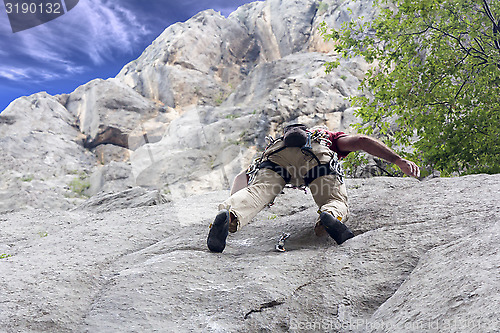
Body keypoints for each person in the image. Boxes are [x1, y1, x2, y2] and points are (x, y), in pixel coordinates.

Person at [207, 124, 420, 253]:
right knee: (334, 199)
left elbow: (241, 176)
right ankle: (330, 215)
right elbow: (362, 141)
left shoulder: (277, 144)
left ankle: (231, 213)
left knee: (256, 193)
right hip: (316, 159)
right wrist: (397, 159)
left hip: (276, 161)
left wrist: (231, 204)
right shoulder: (324, 136)